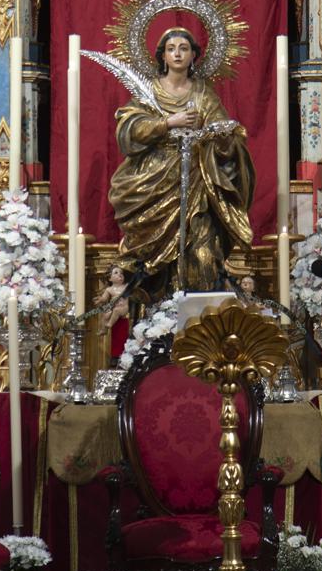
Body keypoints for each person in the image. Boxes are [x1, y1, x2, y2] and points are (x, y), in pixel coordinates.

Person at [109, 27, 255, 295]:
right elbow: (128, 130)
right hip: (152, 181)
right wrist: (168, 123)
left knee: (203, 254)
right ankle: (158, 325)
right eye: (171, 48)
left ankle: (200, 322)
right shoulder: (149, 91)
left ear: (193, 56)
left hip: (198, 183)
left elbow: (225, 138)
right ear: (162, 56)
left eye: (184, 48)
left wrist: (223, 140)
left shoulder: (203, 94)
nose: (177, 53)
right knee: (156, 265)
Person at [93, 265, 131, 361]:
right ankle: (104, 329)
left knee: (116, 311)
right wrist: (100, 299)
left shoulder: (125, 287)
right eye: (116, 273)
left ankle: (109, 324)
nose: (120, 275)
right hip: (115, 311)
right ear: (110, 278)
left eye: (121, 273)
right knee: (106, 314)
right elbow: (104, 298)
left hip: (124, 309)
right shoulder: (109, 289)